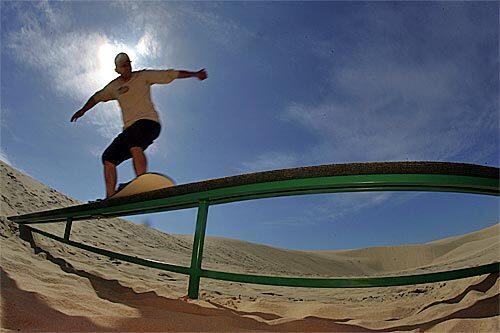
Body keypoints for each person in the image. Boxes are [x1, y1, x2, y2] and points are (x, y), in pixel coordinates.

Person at [71, 52, 207, 198]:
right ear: (117, 69)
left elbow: (169, 74)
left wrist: (194, 74)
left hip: (149, 123)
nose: (127, 67)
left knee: (134, 139)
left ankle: (142, 181)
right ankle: (110, 198)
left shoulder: (143, 76)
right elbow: (97, 97)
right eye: (123, 65)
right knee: (108, 157)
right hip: (130, 130)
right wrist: (83, 110)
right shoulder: (113, 86)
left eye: (128, 63)